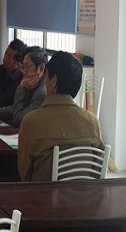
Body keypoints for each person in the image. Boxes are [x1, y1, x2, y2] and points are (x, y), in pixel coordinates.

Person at [18, 51, 104, 181]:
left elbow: (24, 173)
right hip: (85, 193)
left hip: (43, 193)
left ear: (54, 81)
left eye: (46, 77)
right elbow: (98, 169)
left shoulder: (31, 122)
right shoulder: (93, 122)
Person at [0, 46, 47, 127]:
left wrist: (21, 87)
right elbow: (17, 108)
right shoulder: (33, 81)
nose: (24, 72)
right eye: (23, 67)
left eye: (27, 66)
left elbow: (19, 119)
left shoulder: (42, 92)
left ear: (41, 68)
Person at [0, 39, 26, 108]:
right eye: (5, 53)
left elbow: (12, 108)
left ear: (17, 63)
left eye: (9, 56)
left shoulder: (21, 82)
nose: (4, 57)